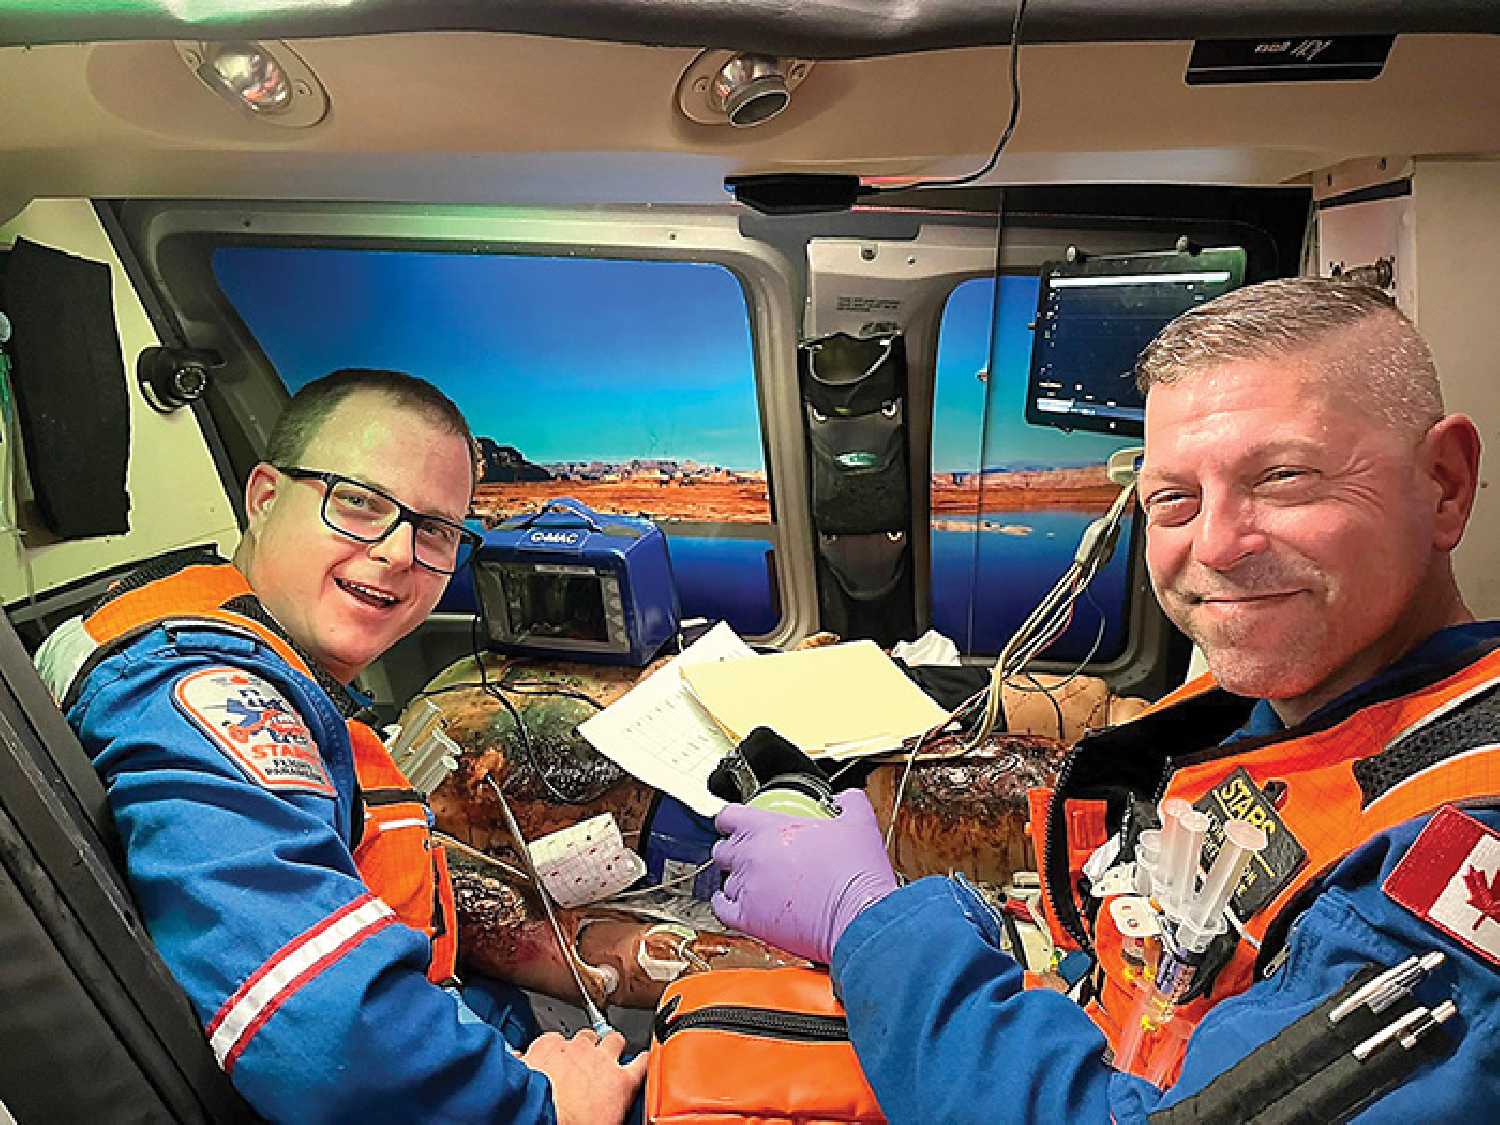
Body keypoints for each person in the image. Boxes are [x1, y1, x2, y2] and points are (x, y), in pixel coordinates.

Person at [709, 279, 1500, 1121]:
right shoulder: (1305, 706)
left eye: (1284, 478)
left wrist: (869, 919)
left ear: (1445, 485)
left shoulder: (1453, 861)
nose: (1218, 545)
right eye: (1173, 499)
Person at [34, 369, 645, 1125]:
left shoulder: (262, 647)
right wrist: (547, 1107)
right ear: (264, 496)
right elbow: (323, 1025)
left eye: (435, 530)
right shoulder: (199, 683)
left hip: (438, 1030)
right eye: (358, 502)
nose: (397, 553)